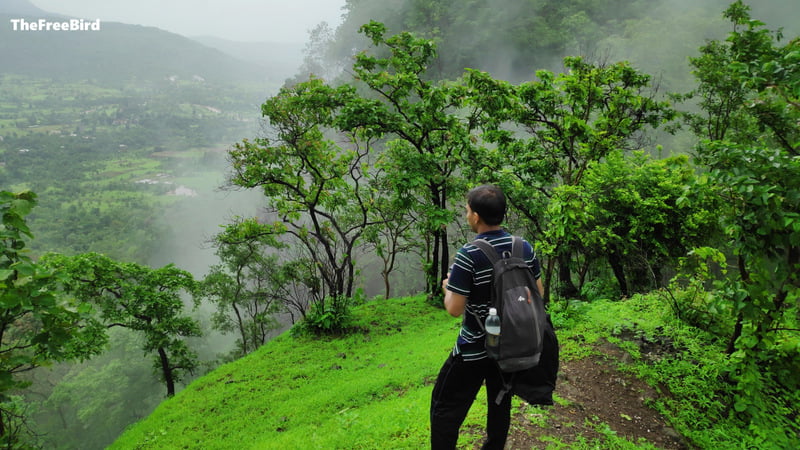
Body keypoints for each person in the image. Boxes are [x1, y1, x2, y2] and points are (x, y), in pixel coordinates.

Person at [431, 184, 544, 450]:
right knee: (500, 402)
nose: (466, 215)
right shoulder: (523, 248)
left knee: (445, 408)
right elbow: (537, 293)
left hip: (473, 351)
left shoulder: (469, 255)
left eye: (467, 210)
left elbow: (454, 309)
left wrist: (449, 288)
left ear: (477, 217)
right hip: (511, 347)